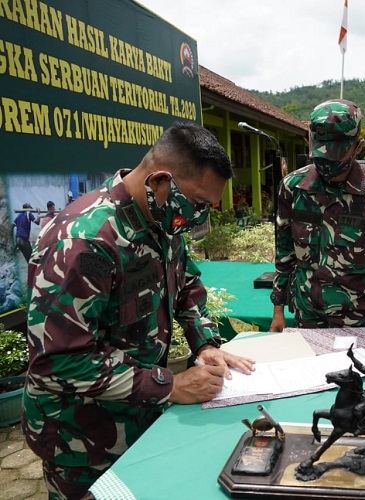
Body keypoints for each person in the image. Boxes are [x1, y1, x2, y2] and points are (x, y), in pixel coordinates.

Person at [22, 123, 256, 499]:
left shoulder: (161, 219)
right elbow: (58, 361)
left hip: (140, 417)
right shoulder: (84, 241)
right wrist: (170, 386)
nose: (200, 217)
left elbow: (186, 285)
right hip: (81, 439)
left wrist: (205, 344)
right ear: (160, 181)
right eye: (198, 203)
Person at [269, 99, 365, 371]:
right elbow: (285, 252)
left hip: (361, 320)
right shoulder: (292, 188)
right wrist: (278, 309)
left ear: (358, 147)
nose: (327, 164)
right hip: (308, 318)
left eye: (336, 155)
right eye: (320, 155)